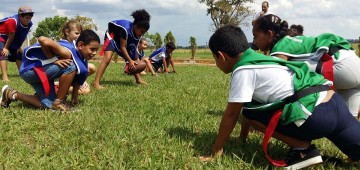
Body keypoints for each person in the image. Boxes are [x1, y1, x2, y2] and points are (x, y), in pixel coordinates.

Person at [199, 25, 360, 169]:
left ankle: (302, 148)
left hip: (316, 117)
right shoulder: (262, 59)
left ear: (221, 55)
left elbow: (232, 113)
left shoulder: (243, 70)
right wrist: (242, 138)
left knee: (249, 112)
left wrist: (216, 150)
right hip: (335, 103)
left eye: (215, 59)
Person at [252, 14, 360, 117]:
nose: (254, 41)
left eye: (255, 36)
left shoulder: (279, 48)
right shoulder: (292, 40)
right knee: (350, 125)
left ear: (270, 34)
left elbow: (276, 84)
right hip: (352, 61)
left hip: (341, 68)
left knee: (292, 74)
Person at [1, 29, 100, 111]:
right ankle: (59, 102)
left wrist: (74, 98)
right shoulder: (68, 53)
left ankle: (11, 94)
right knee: (71, 65)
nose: (95, 53)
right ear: (81, 45)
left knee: (48, 105)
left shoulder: (82, 58)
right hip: (30, 71)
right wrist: (54, 60)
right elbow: (42, 39)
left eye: (96, 50)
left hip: (41, 73)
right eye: (92, 49)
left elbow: (79, 78)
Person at [93, 9, 150, 89]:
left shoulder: (138, 34)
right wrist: (130, 61)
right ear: (136, 27)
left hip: (121, 38)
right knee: (107, 58)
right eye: (141, 32)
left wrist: (135, 60)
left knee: (133, 59)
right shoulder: (125, 29)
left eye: (144, 33)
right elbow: (122, 47)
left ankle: (138, 80)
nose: (142, 34)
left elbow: (135, 51)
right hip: (112, 36)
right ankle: (96, 83)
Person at [60, 19, 96, 95]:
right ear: (67, 32)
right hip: (62, 74)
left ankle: (73, 84)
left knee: (92, 67)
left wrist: (83, 80)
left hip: (73, 71)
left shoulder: (74, 43)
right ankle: (61, 87)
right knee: (85, 91)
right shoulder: (62, 45)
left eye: (80, 33)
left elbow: (81, 62)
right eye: (76, 33)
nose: (79, 36)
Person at [0, 6, 34, 81]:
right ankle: (5, 77)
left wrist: (18, 47)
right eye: (27, 17)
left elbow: (22, 36)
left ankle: (23, 74)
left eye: (30, 17)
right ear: (20, 16)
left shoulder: (29, 23)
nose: (29, 19)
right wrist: (5, 48)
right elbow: (11, 36)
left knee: (18, 54)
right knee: (3, 53)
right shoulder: (13, 21)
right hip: (2, 36)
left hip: (11, 38)